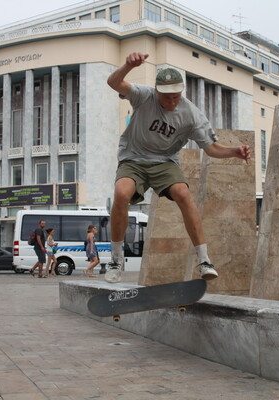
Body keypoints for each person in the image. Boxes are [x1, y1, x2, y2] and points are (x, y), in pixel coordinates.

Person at [105, 52, 251, 283]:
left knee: (183, 193)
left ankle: (204, 260)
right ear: (157, 91)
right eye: (166, 98)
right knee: (121, 194)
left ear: (181, 92)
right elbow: (113, 83)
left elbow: (211, 148)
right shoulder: (144, 95)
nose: (171, 102)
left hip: (165, 162)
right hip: (133, 158)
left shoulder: (192, 115)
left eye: (175, 97)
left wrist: (233, 152)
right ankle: (115, 260)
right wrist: (127, 66)